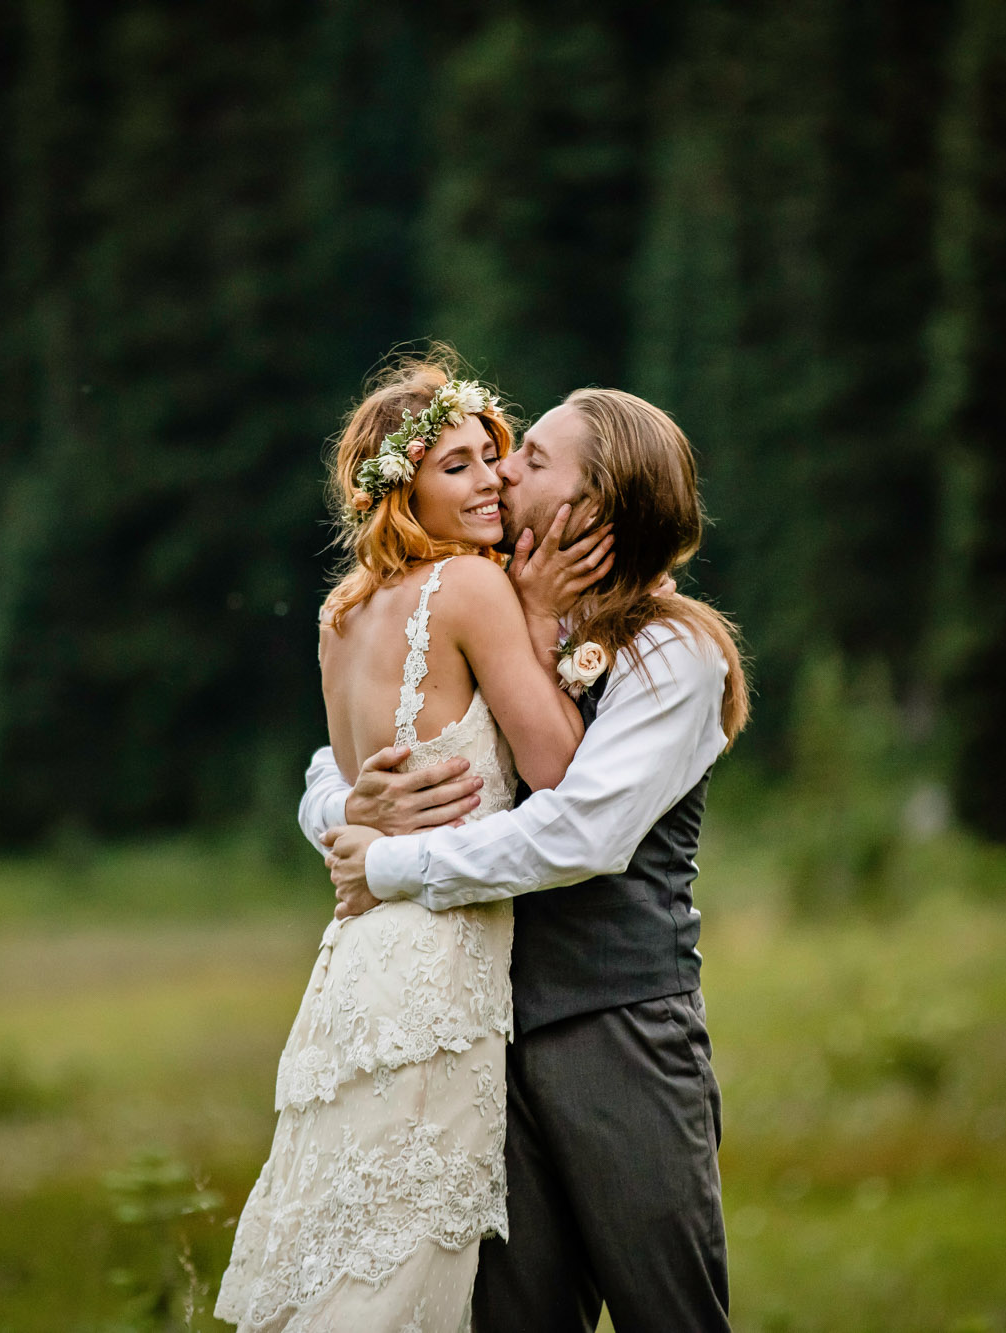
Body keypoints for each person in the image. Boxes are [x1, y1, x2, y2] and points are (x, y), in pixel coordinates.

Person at [312, 387, 751, 1333]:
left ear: (593, 508)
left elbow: (582, 832)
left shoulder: (671, 654)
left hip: (619, 1027)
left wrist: (388, 865)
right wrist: (351, 806)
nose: (506, 468)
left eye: (534, 458)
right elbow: (359, 750)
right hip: (489, 1036)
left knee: (667, 1311)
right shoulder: (499, 612)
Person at [215, 355, 614, 1333]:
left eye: (491, 457)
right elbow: (559, 768)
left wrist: (347, 823)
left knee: (341, 1252)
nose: (487, 480)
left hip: (352, 967)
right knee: (404, 1280)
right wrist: (546, 609)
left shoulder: (338, 614)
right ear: (400, 489)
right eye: (455, 466)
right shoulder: (470, 594)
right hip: (436, 973)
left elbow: (354, 792)